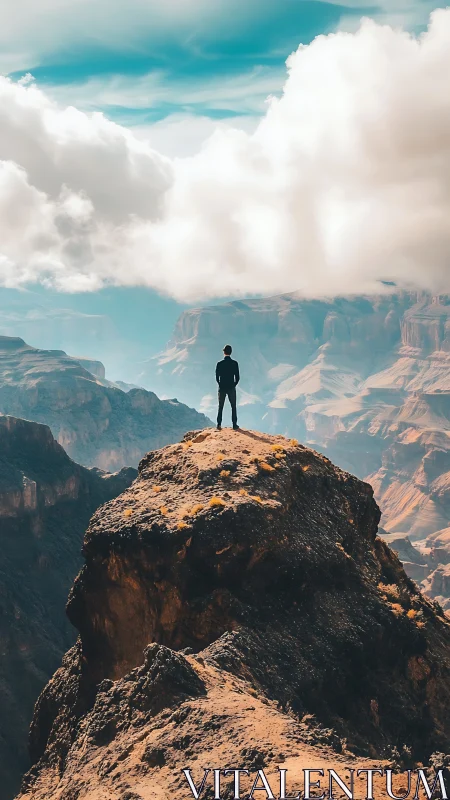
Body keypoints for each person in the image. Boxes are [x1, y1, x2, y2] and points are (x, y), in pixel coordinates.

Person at [216, 345, 240, 430]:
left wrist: (220, 384)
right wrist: (233, 385)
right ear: (231, 352)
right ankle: (234, 424)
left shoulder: (219, 364)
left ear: (224, 352)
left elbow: (217, 377)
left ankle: (219, 424)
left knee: (221, 406)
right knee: (233, 406)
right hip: (231, 388)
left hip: (222, 387)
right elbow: (237, 378)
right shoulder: (234, 363)